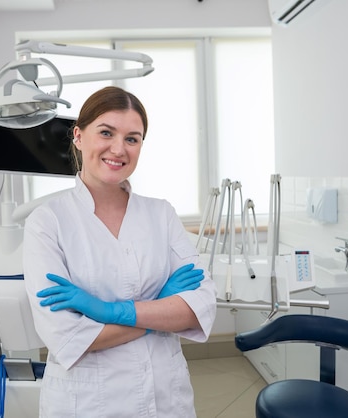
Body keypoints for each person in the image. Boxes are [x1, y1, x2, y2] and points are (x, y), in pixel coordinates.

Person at [22, 86, 217, 417]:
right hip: (90, 401)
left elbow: (199, 304)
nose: (118, 148)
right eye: (106, 132)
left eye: (132, 138)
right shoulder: (47, 222)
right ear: (79, 136)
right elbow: (66, 336)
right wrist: (158, 313)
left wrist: (107, 312)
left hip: (165, 395)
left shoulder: (161, 214)